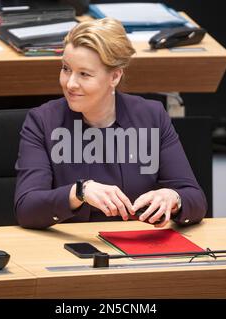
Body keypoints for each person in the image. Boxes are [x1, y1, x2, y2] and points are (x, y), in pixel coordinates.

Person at [14, 18, 207, 230]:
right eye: (66, 69)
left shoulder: (152, 116)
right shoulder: (42, 121)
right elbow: (26, 208)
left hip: (138, 248)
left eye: (84, 74)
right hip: (69, 248)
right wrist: (79, 192)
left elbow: (196, 200)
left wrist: (173, 198)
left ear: (114, 76)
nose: (70, 83)